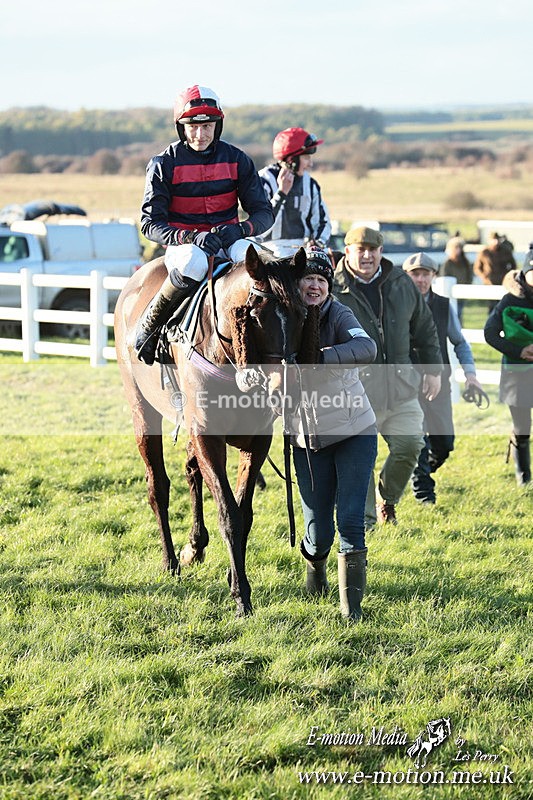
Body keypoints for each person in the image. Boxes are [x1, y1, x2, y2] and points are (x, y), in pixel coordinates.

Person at [135, 85, 274, 364]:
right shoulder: (164, 164)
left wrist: (242, 229)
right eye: (193, 127)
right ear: (181, 128)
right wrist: (189, 237)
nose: (201, 134)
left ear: (218, 125)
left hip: (229, 240)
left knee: (263, 262)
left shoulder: (238, 159)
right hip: (184, 247)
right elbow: (149, 224)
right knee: (194, 263)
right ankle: (150, 326)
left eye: (207, 126)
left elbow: (263, 213)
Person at [333, 226, 443, 528]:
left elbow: (425, 327)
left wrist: (433, 370)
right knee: (359, 460)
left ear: (381, 252)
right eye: (360, 249)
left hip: (401, 386)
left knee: (410, 446)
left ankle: (388, 499)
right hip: (353, 392)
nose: (367, 255)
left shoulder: (400, 283)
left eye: (373, 250)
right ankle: (364, 523)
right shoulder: (332, 287)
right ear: (348, 252)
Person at [290, 247, 378, 621]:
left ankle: (351, 612)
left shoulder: (339, 313)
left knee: (352, 521)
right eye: (308, 278)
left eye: (321, 280)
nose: (314, 285)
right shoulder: (281, 318)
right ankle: (315, 574)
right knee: (318, 530)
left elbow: (366, 347)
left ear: (329, 285)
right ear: (296, 284)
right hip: (307, 439)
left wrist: (321, 357)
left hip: (355, 429)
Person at [403, 252, 484, 504]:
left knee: (444, 443)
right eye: (415, 274)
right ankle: (424, 495)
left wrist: (470, 375)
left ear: (433, 276)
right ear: (407, 277)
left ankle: (417, 471)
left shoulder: (442, 305)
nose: (421, 279)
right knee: (419, 440)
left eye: (425, 274)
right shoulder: (395, 305)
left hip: (440, 383)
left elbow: (459, 342)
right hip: (407, 383)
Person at [484, 254, 533, 486]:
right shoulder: (508, 301)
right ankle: (523, 474)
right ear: (526, 272)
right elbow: (490, 333)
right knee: (522, 426)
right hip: (518, 374)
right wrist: (519, 350)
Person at [254, 127, 331, 256]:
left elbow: (323, 222)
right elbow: (260, 226)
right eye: (306, 158)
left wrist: (318, 244)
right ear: (292, 160)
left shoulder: (310, 184)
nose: (310, 164)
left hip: (303, 250)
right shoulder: (263, 180)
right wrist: (282, 193)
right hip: (268, 249)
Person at [474, 231, 516, 314]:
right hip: (490, 283)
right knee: (492, 307)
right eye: (493, 240)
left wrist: (508, 276)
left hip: (503, 283)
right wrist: (484, 277)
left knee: (503, 305)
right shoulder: (484, 253)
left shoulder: (505, 251)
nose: (496, 242)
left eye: (497, 240)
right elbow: (477, 268)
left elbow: (513, 265)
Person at [441, 235, 473, 323]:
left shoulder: (465, 262)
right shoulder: (448, 263)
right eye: (456, 248)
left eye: (459, 248)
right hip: (450, 293)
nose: (458, 250)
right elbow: (444, 276)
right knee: (454, 314)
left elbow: (469, 275)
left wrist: (466, 286)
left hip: (462, 292)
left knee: (459, 313)